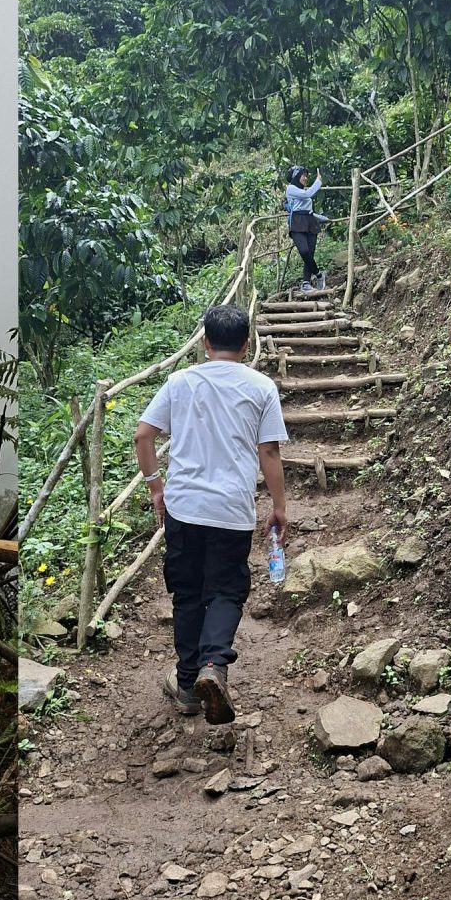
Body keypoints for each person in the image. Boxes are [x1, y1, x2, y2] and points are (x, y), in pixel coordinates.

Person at [134, 305, 288, 724]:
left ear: (204, 343)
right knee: (225, 590)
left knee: (187, 594)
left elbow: (143, 435)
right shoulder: (260, 387)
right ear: (245, 343)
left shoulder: (180, 381)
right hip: (231, 510)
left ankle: (186, 687)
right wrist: (278, 507)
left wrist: (155, 488)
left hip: (183, 506)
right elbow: (269, 451)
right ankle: (213, 666)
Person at [283, 166, 326, 290]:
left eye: (307, 176)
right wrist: (318, 181)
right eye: (304, 175)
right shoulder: (291, 188)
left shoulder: (302, 191)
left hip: (310, 221)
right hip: (297, 221)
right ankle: (318, 274)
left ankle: (306, 283)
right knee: (304, 251)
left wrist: (322, 218)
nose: (306, 178)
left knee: (310, 253)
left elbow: (308, 210)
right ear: (296, 176)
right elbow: (308, 194)